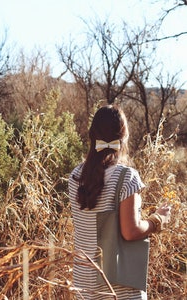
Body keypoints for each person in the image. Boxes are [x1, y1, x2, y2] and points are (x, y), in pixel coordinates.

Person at [68, 104, 171, 300]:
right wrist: (158, 220)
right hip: (116, 286)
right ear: (123, 137)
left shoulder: (75, 177)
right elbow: (130, 231)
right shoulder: (127, 177)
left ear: (92, 136)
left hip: (83, 283)